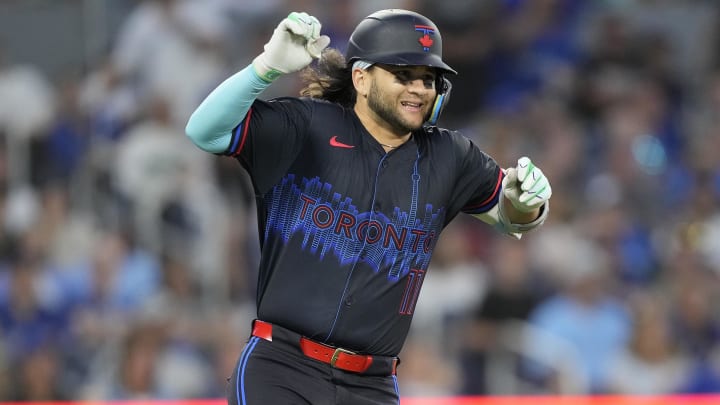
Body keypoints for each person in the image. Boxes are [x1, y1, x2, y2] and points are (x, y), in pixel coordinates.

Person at [185, 9, 552, 405]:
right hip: (282, 368)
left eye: (428, 79)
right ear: (360, 77)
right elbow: (204, 131)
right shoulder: (306, 127)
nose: (419, 89)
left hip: (371, 384)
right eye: (403, 75)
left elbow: (512, 218)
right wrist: (265, 68)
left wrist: (527, 202)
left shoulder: (449, 156)